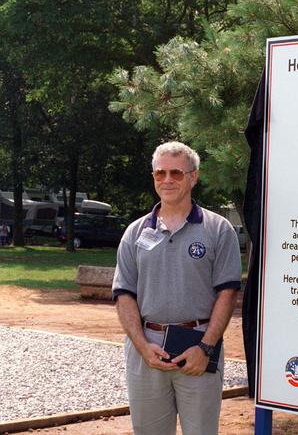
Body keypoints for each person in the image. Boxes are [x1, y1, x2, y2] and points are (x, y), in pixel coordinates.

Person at [112, 141, 241, 435]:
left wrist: (205, 348)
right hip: (147, 350)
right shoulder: (135, 232)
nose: (167, 180)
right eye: (160, 173)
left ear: (193, 177)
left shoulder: (218, 229)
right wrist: (143, 348)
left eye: (176, 173)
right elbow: (123, 294)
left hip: (197, 347)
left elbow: (227, 293)